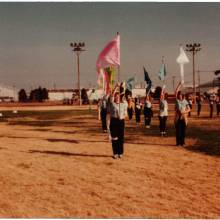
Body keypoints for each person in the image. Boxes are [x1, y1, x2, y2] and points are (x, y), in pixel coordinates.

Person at [109, 83, 128, 159]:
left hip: (121, 122)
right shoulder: (112, 104)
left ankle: (120, 152)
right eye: (116, 97)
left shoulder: (123, 104)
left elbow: (126, 114)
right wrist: (116, 87)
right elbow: (111, 96)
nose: (117, 98)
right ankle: (115, 153)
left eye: (118, 96)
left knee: (121, 138)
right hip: (113, 121)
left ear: (120, 97)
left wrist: (122, 116)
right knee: (114, 138)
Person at [175, 82, 191, 146]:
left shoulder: (185, 101)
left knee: (183, 131)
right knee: (178, 131)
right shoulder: (177, 101)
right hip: (178, 117)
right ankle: (178, 143)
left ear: (182, 95)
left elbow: (189, 109)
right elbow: (176, 92)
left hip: (184, 117)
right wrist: (179, 85)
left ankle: (182, 142)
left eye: (181, 95)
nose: (179, 96)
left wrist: (184, 112)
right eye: (179, 95)